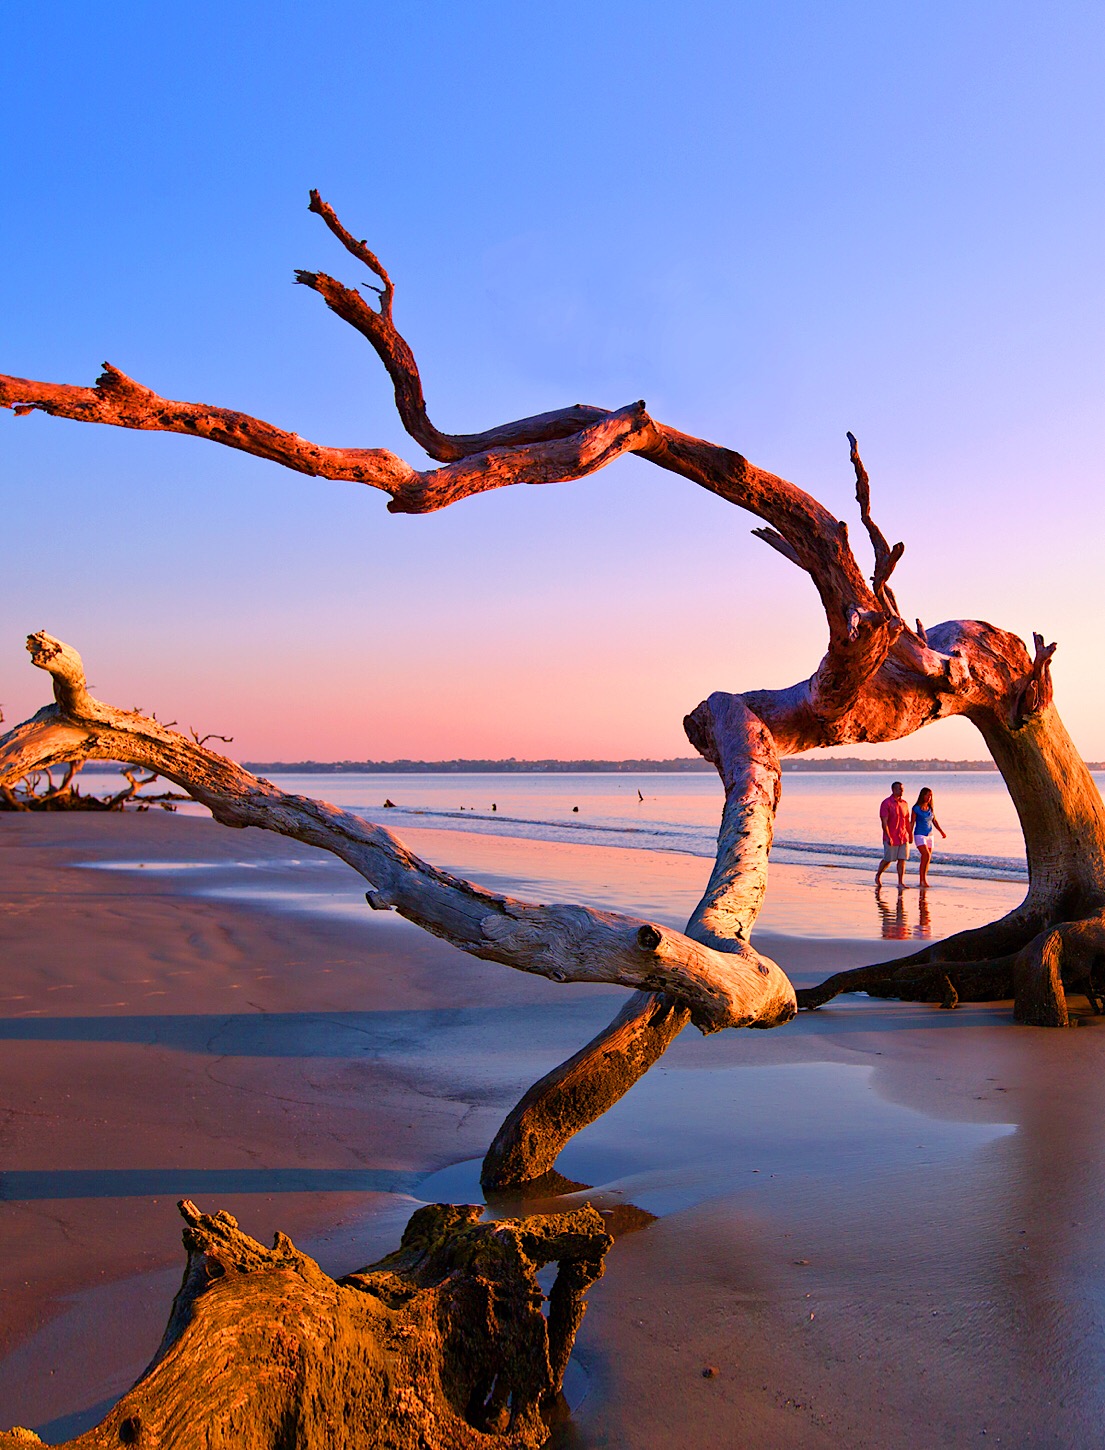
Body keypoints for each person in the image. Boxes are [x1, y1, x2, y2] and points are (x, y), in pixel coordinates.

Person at [875, 780, 911, 888]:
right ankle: (878, 875)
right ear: (893, 789)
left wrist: (910, 834)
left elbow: (906, 820)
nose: (901, 791)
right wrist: (888, 836)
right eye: (899, 789)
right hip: (891, 836)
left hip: (903, 836)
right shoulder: (886, 803)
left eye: (902, 789)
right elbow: (884, 822)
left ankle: (900, 882)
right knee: (888, 859)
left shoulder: (904, 804)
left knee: (902, 859)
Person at [911, 786, 947, 888]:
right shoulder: (916, 808)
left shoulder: (930, 808)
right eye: (927, 795)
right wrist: (909, 834)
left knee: (927, 858)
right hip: (919, 834)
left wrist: (941, 832)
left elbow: (934, 821)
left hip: (930, 836)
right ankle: (922, 880)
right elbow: (912, 822)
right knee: (925, 855)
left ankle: (923, 879)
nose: (929, 798)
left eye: (930, 796)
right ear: (922, 795)